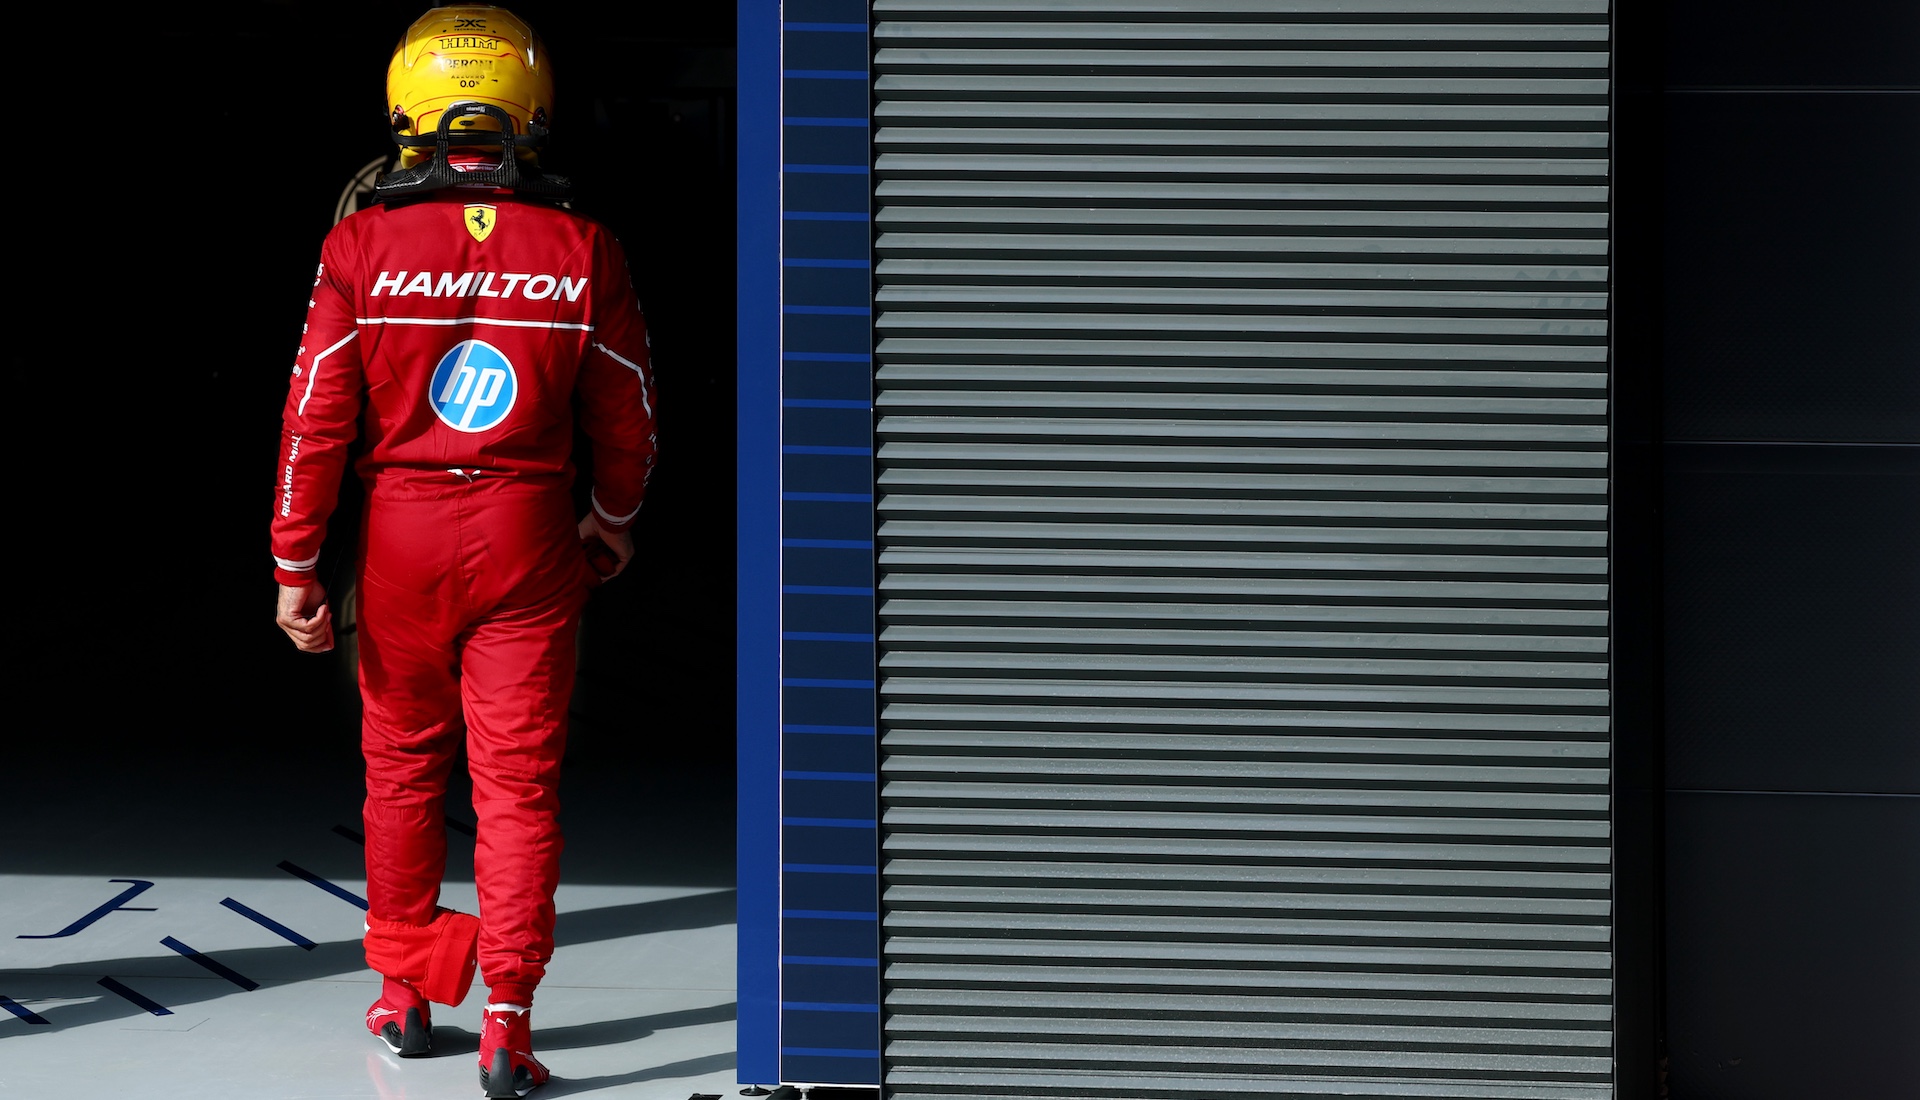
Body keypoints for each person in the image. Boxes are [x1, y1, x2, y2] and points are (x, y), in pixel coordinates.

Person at [268, 6, 657, 1096]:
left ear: (407, 103)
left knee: (399, 771)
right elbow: (628, 413)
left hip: (402, 533)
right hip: (531, 531)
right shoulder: (586, 246)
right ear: (531, 104)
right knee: (519, 786)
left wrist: (296, 562)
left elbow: (313, 419)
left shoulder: (358, 243)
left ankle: (403, 994)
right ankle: (508, 1019)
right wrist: (613, 515)